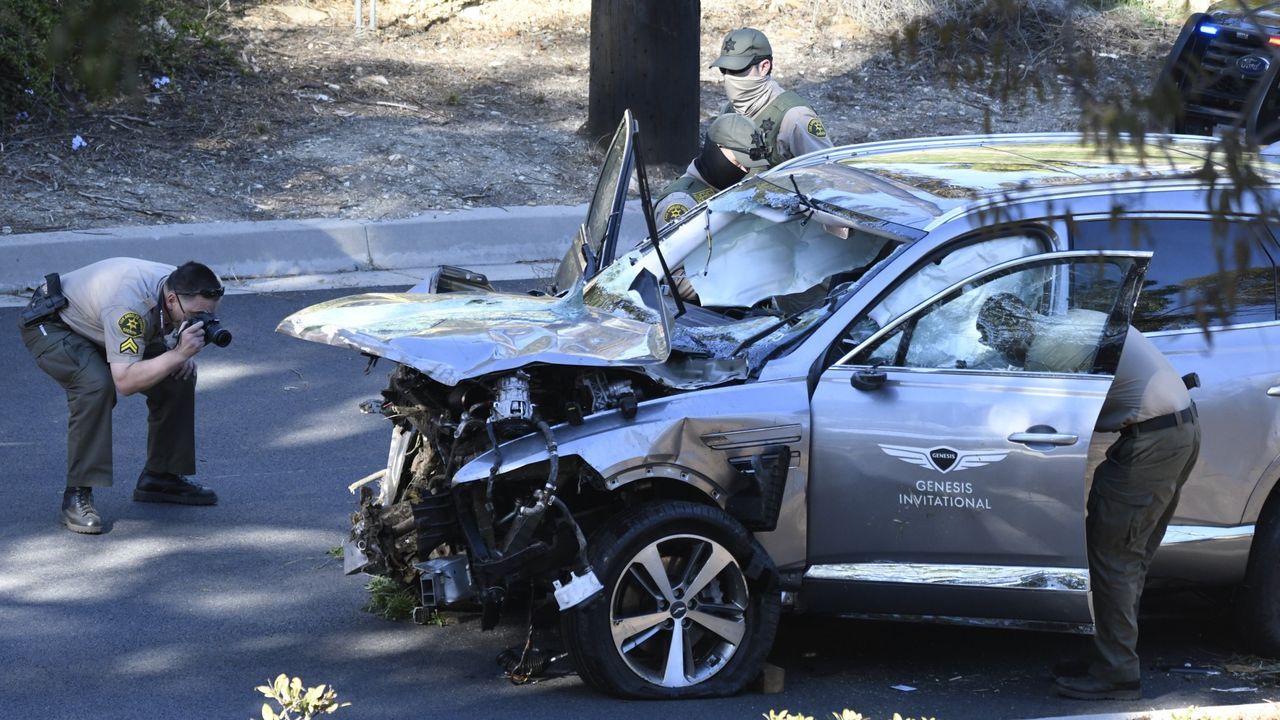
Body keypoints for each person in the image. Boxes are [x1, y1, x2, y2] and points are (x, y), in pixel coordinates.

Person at [976, 293, 1200, 700]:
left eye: (999, 342)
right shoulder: (1069, 324)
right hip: (1176, 430)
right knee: (1127, 556)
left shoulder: (1048, 352)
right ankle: (1110, 656)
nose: (1002, 350)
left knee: (1114, 556)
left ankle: (1117, 674)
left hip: (1152, 442)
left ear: (1012, 332)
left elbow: (1038, 420)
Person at [19, 258, 225, 534]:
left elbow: (164, 326)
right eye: (196, 315)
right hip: (56, 323)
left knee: (178, 377)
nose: (200, 321)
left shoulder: (180, 286)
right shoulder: (129, 307)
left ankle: (161, 476)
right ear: (173, 300)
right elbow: (125, 381)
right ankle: (76, 495)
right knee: (95, 386)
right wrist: (177, 353)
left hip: (102, 322)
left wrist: (176, 350)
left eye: (207, 316)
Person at [710, 27, 834, 166]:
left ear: (764, 67)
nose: (729, 77)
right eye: (724, 69)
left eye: (737, 69)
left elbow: (827, 174)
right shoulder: (729, 110)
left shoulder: (796, 118)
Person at [654, 112, 769, 225]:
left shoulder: (727, 190)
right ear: (716, 150)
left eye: (748, 166)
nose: (744, 171)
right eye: (738, 163)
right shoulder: (682, 204)